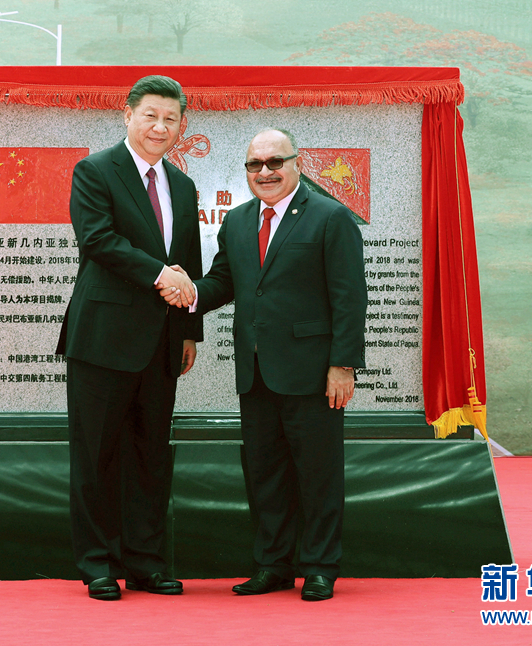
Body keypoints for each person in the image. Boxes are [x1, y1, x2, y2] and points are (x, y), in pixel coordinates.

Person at [161, 128, 366, 601]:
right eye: (255, 164)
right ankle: (273, 565)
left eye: (275, 162)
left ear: (297, 163)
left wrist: (343, 365)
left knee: (317, 474)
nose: (265, 172)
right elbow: (224, 282)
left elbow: (349, 297)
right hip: (255, 373)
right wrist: (188, 291)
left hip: (313, 373)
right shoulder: (237, 221)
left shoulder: (330, 216)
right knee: (265, 473)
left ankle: (320, 567)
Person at [56, 75, 203, 601]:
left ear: (181, 125)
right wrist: (160, 275)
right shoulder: (95, 170)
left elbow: (188, 258)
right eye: (151, 116)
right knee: (96, 455)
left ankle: (146, 563)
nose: (160, 127)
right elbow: (98, 239)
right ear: (128, 115)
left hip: (162, 343)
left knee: (149, 455)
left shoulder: (182, 184)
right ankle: (97, 564)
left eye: (170, 118)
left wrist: (189, 331)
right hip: (103, 339)